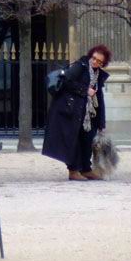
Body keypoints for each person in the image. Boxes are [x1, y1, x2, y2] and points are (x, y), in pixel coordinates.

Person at [42, 44, 111, 181]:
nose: (95, 62)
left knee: (87, 140)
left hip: (88, 114)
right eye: (94, 58)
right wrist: (85, 90)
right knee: (73, 141)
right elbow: (66, 81)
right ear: (91, 55)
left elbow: (99, 98)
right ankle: (73, 171)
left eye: (99, 61)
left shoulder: (97, 75)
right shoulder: (80, 66)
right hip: (71, 111)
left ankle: (86, 169)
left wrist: (101, 121)